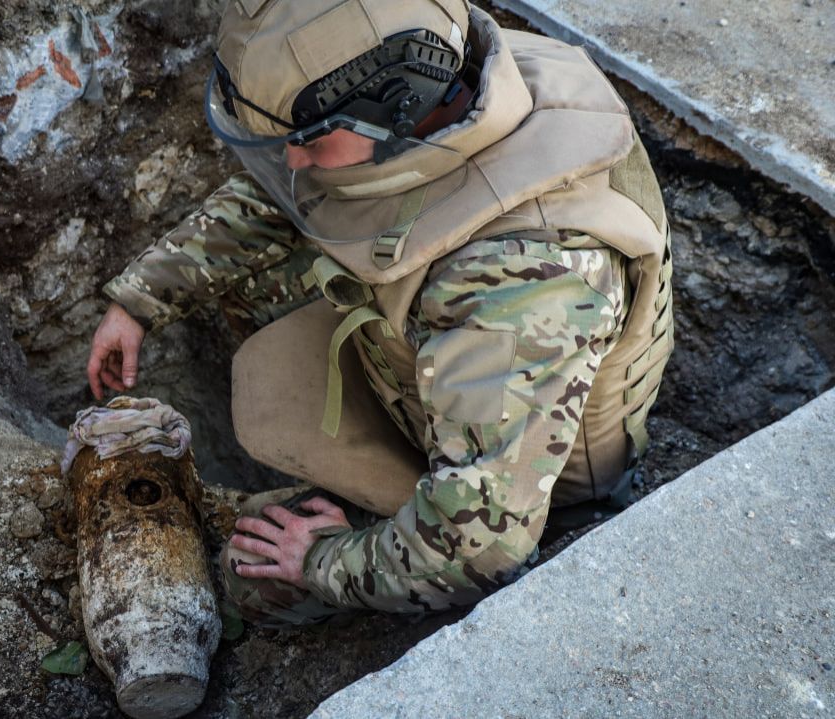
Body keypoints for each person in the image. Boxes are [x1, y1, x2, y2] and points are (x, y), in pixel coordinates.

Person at [86, 0, 672, 627]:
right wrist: (142, 298)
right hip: (446, 377)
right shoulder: (463, 74)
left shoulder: (519, 286)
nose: (292, 162)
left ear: (396, 107)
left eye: (305, 140)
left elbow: (477, 549)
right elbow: (290, 191)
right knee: (268, 272)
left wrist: (320, 560)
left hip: (526, 495)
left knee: (252, 576)